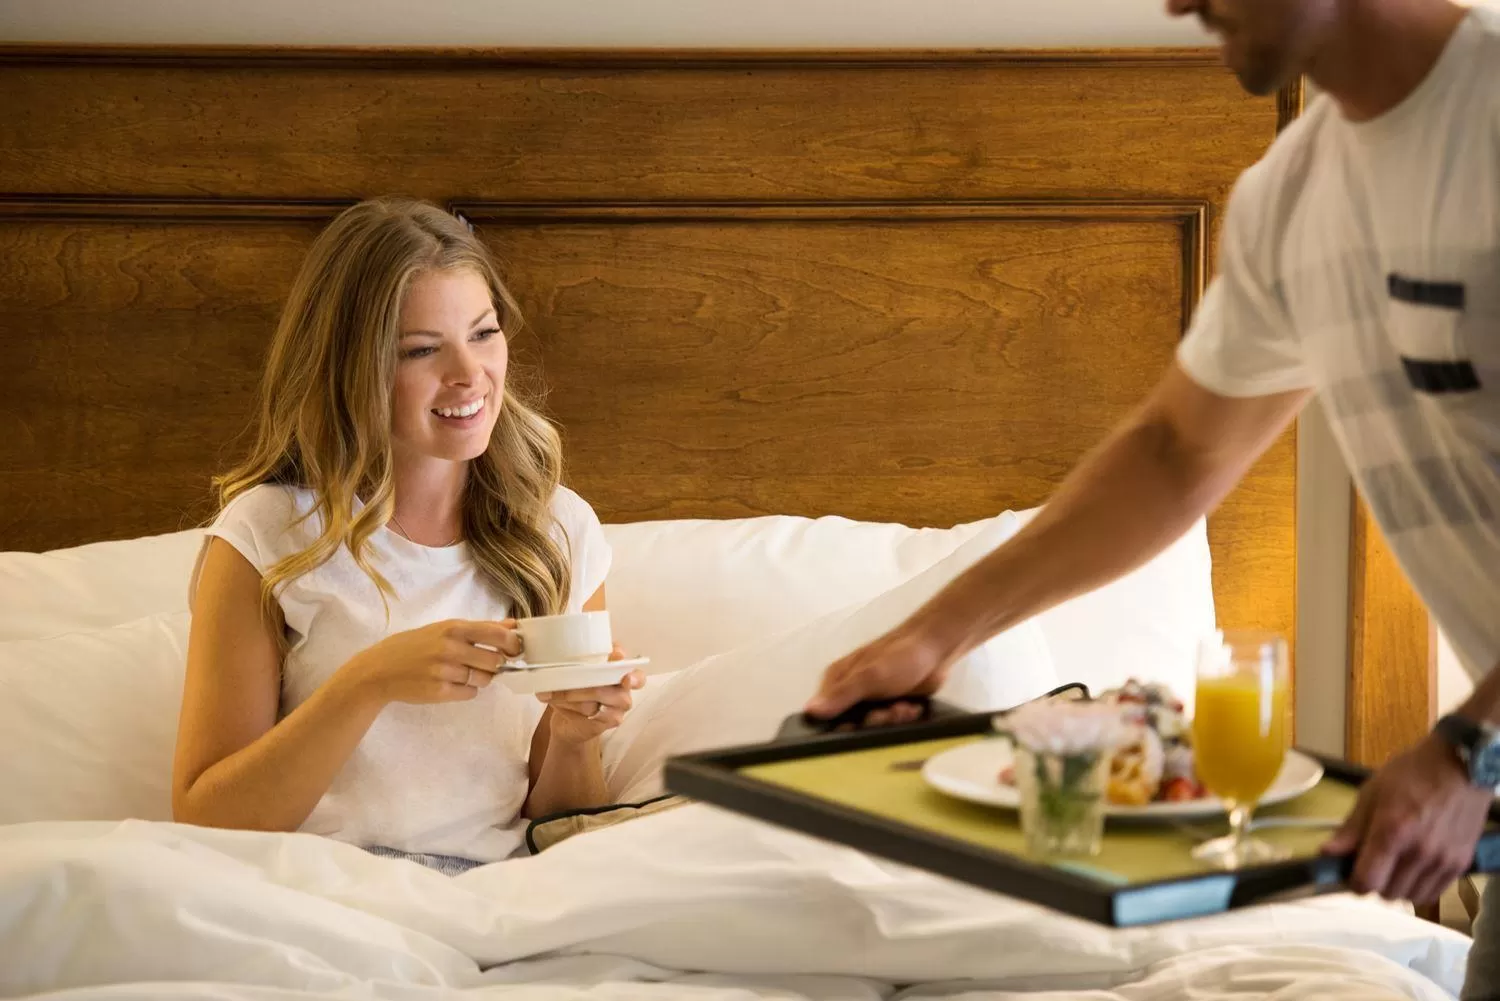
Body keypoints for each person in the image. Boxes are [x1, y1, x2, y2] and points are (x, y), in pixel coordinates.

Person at [806, 1, 1500, 995]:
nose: (1177, 1)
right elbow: (1176, 450)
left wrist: (1469, 747)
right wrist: (935, 634)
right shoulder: (1292, 196)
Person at [172, 197, 644, 876]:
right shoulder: (266, 534)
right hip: (320, 888)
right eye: (422, 350)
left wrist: (574, 737)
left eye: (483, 333)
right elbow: (205, 818)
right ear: (349, 368)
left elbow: (561, 823)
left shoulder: (556, 530)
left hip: (496, 896)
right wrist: (367, 681)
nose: (469, 374)